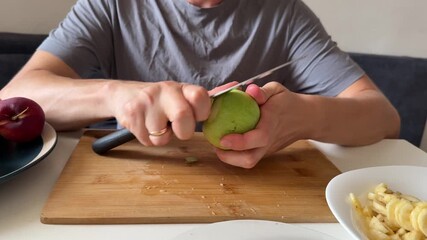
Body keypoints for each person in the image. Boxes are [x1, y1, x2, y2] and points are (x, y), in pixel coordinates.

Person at [0, 0, 400, 168]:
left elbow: (382, 117)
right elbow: (16, 97)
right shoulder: (111, 5)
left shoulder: (284, 14)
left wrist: (305, 115)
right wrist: (117, 94)